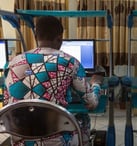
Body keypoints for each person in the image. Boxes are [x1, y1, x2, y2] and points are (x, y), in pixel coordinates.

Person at [4, 16, 103, 146]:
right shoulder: (70, 62)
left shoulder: (12, 63)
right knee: (83, 118)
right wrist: (96, 84)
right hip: (56, 140)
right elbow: (91, 103)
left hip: (21, 138)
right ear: (60, 38)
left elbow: (7, 102)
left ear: (35, 37)